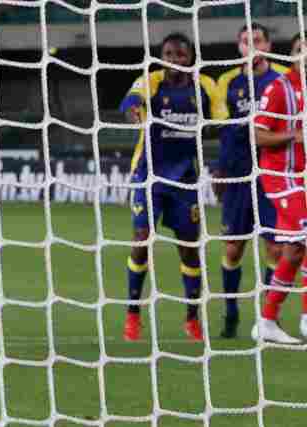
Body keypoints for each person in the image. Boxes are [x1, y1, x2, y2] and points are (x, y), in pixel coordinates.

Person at [120, 33, 226, 342]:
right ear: (161, 56)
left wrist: (215, 134)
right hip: (148, 175)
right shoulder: (151, 80)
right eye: (169, 54)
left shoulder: (205, 85)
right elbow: (130, 101)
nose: (175, 60)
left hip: (185, 181)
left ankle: (192, 318)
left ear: (190, 57)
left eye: (181, 54)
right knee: (141, 241)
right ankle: (132, 314)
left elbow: (222, 120)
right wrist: (136, 114)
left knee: (190, 250)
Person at [211, 23, 288, 338]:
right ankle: (230, 313)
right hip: (239, 175)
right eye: (246, 41)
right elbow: (222, 129)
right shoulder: (227, 81)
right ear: (239, 47)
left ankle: (270, 320)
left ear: (268, 45)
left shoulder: (283, 77)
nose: (252, 46)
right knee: (233, 249)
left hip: (274, 172)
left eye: (257, 40)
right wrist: (220, 169)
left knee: (275, 248)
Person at [251, 33, 307, 343]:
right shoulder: (279, 88)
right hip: (280, 177)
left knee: (295, 250)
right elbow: (258, 136)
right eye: (302, 50)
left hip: (304, 177)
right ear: (293, 55)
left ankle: (268, 320)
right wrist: (293, 135)